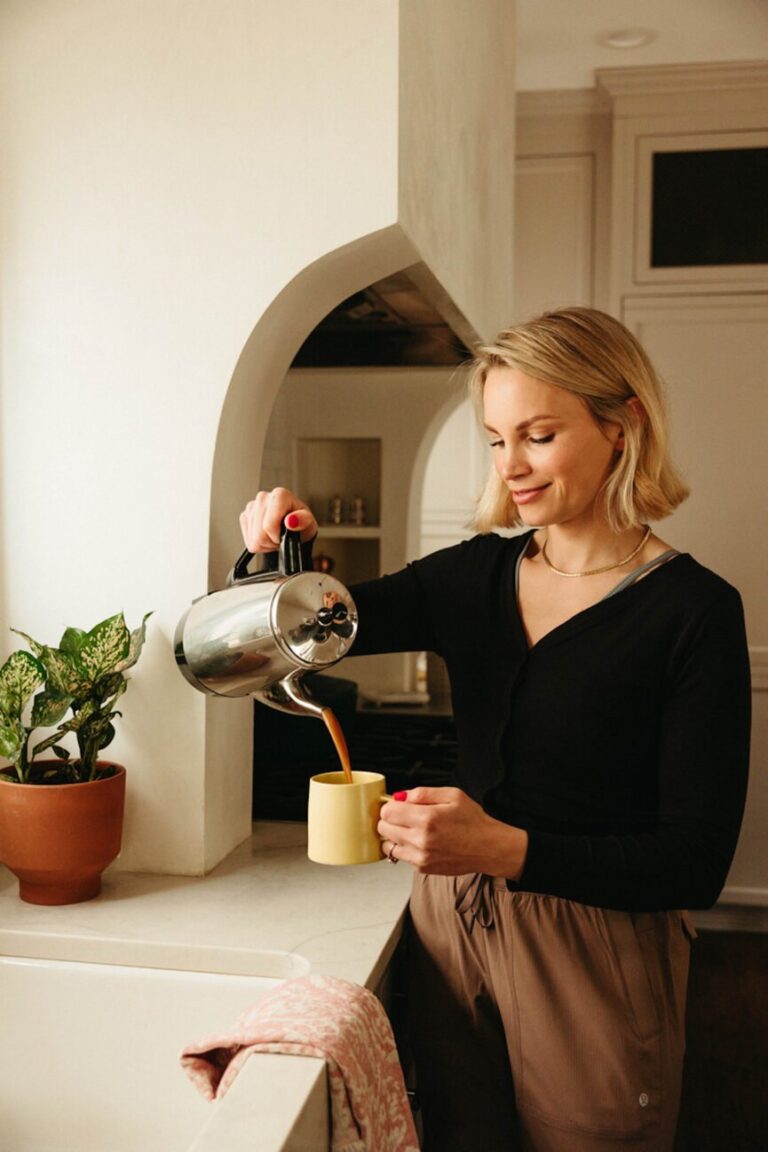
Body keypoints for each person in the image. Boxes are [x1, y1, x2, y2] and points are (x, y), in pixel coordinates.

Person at [239, 307, 751, 1152]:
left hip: (597, 943)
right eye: (494, 439)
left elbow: (694, 863)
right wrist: (277, 551)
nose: (510, 466)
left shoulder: (694, 612)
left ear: (621, 427)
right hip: (451, 921)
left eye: (538, 435)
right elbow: (312, 630)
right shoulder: (473, 577)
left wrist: (502, 848)